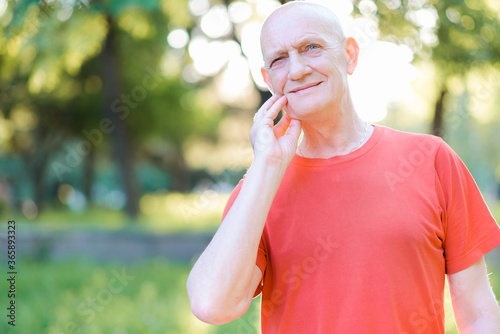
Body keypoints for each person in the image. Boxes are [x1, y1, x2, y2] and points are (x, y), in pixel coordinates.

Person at [186, 1, 500, 333]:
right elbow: (211, 304)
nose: (297, 70)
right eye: (279, 59)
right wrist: (266, 166)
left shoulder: (431, 159)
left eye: (311, 48)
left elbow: (479, 312)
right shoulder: (259, 187)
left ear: (349, 54)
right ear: (268, 79)